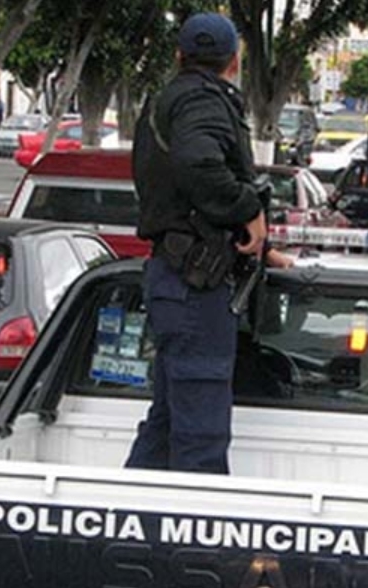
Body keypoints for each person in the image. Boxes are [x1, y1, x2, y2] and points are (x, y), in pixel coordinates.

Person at [125, 13, 269, 474]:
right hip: (195, 285)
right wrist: (247, 209)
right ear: (234, 61)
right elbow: (201, 165)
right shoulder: (203, 102)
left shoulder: (168, 100)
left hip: (179, 276)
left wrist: (256, 241)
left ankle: (128, 518)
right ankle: (200, 547)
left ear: (179, 56)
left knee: (167, 422)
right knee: (201, 438)